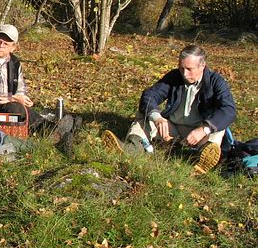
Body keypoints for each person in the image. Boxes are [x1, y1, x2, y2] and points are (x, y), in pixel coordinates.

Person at [101, 44, 236, 174]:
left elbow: (229, 110)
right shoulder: (174, 76)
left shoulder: (216, 82)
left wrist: (204, 129)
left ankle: (201, 158)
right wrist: (157, 118)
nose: (184, 73)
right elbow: (150, 95)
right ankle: (132, 147)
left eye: (189, 69)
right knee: (145, 115)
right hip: (173, 129)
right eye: (181, 68)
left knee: (218, 127)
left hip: (200, 131)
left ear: (202, 66)